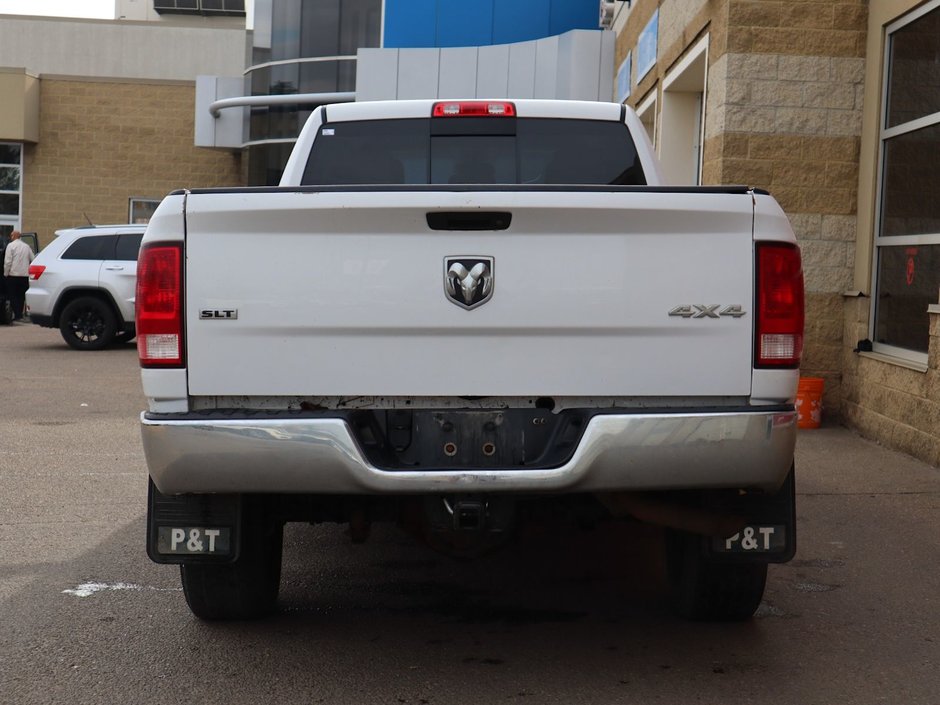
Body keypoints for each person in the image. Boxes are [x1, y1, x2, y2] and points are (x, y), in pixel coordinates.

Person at [3, 230, 34, 321]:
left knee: (12, 295)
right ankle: (19, 314)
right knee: (21, 296)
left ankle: (17, 314)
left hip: (13, 274)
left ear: (13, 236)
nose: (10, 236)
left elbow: (8, 261)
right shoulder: (26, 246)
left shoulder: (10, 246)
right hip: (24, 275)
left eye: (11, 235)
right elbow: (33, 259)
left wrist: (6, 273)